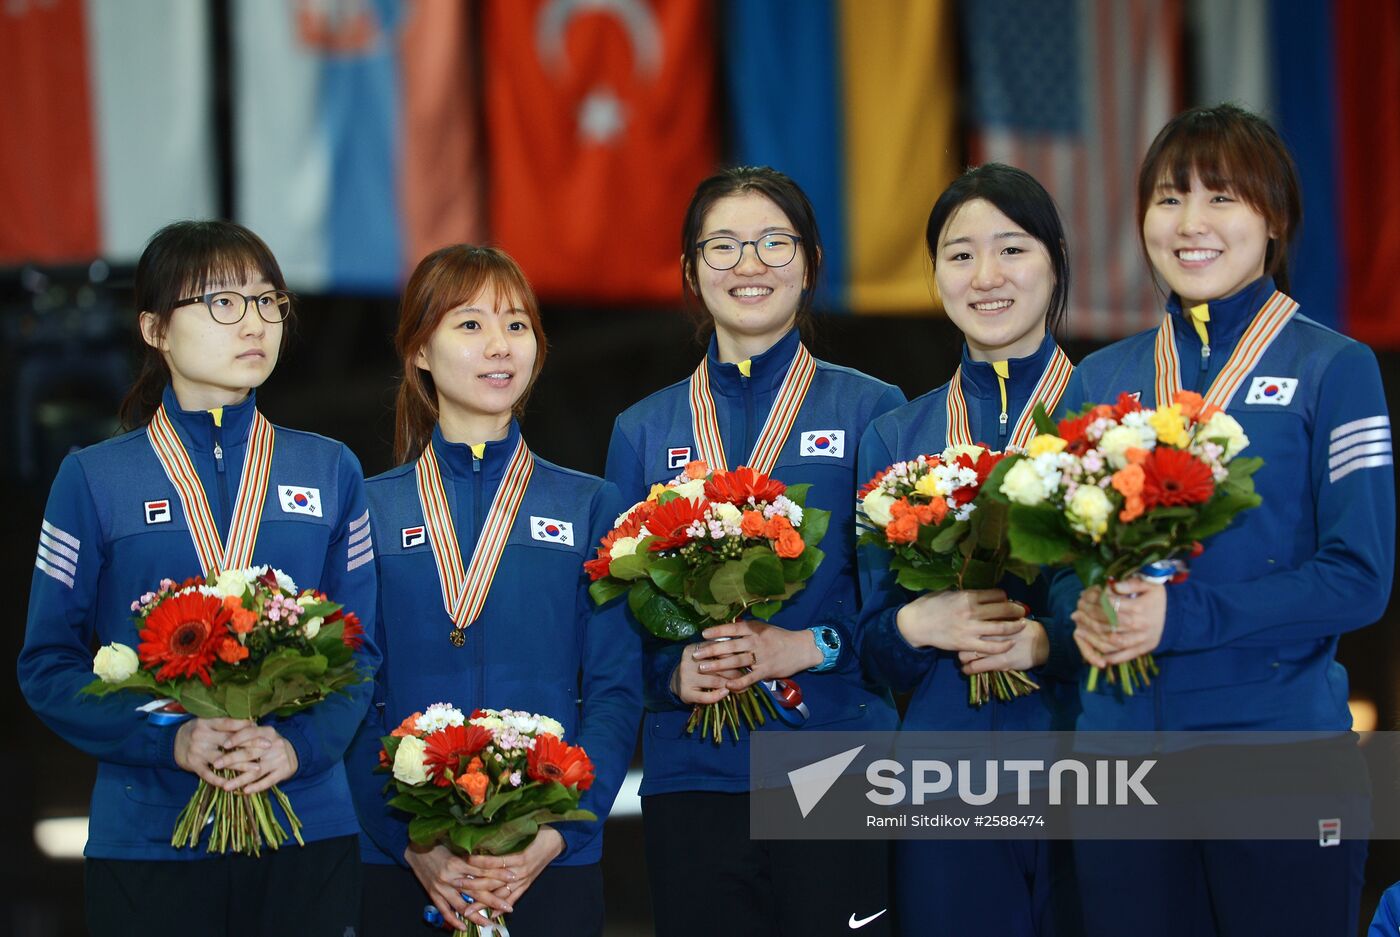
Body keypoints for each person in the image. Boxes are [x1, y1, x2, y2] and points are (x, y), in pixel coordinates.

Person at [1060, 103, 1392, 936]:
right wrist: (1082, 604)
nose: (1191, 223)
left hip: (1273, 753)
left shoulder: (1336, 368)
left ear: (1273, 218)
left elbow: (1360, 577)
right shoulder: (1101, 375)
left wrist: (1184, 615)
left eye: (1223, 198)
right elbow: (1062, 557)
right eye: (1169, 199)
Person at [17, 220, 380, 936]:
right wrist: (170, 739)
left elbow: (362, 654)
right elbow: (47, 664)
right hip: (151, 835)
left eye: (268, 300)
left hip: (307, 823)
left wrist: (296, 746)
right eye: (222, 302)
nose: (254, 322)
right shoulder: (93, 478)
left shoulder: (330, 468)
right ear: (155, 327)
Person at [604, 165, 905, 937]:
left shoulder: (872, 408)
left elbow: (894, 604)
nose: (750, 264)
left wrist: (808, 644)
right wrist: (673, 672)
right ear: (689, 270)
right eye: (725, 245)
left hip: (832, 755)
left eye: (774, 242)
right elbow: (610, 618)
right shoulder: (643, 428)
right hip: (692, 769)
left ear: (808, 264)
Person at [346, 245, 640, 936]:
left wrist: (557, 834)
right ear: (419, 351)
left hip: (551, 861)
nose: (499, 345)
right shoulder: (364, 508)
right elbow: (350, 695)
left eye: (516, 324)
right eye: (470, 324)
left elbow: (614, 689)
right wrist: (415, 845)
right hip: (401, 865)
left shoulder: (593, 505)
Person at [856, 163, 1081, 935]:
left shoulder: (1116, 415)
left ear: (1055, 261)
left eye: (1011, 249)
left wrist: (1051, 641)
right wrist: (919, 626)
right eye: (959, 254)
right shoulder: (897, 436)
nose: (985, 276)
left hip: (1089, 762)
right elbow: (869, 644)